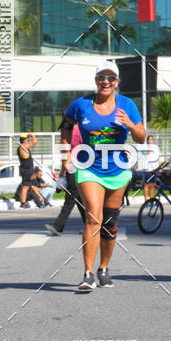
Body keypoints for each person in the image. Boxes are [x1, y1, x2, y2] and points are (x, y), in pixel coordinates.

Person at [62, 59, 145, 291]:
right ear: (96, 80)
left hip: (117, 170)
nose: (106, 81)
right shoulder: (81, 104)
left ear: (117, 81)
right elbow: (66, 125)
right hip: (89, 167)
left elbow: (141, 136)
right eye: (101, 77)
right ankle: (88, 273)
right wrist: (66, 154)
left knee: (109, 222)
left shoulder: (127, 105)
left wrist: (130, 124)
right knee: (93, 218)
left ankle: (104, 268)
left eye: (110, 78)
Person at [45, 123, 88, 235]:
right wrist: (62, 171)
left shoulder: (77, 131)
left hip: (77, 167)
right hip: (72, 166)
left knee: (71, 196)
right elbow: (65, 154)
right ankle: (91, 225)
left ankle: (58, 226)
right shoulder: (70, 132)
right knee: (79, 199)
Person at [17, 132, 38, 209]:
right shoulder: (23, 146)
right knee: (25, 186)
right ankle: (23, 203)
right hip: (26, 169)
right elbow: (35, 142)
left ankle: (23, 201)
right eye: (28, 139)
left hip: (26, 169)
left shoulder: (22, 147)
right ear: (25, 140)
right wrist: (32, 135)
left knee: (26, 186)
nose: (29, 141)